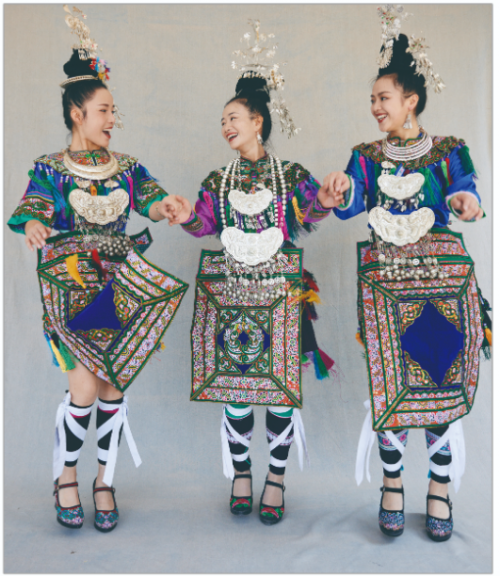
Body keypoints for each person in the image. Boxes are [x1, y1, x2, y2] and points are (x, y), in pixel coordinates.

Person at [7, 6, 186, 532]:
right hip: (71, 290)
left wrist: (168, 206)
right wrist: (33, 225)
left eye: (113, 111)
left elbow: (151, 199)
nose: (112, 119)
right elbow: (34, 207)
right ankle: (66, 475)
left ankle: (104, 481)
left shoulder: (127, 168)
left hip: (121, 288)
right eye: (103, 110)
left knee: (113, 388)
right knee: (83, 389)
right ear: (76, 114)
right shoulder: (50, 168)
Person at [322, 6, 490, 542]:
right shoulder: (366, 156)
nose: (375, 107)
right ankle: (392, 484)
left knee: (439, 376)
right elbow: (350, 202)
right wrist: (339, 191)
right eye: (373, 99)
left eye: (383, 98)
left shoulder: (449, 151)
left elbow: (467, 192)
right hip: (385, 288)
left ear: (410, 100)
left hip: (441, 287)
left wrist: (464, 202)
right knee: (388, 382)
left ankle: (439, 487)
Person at [167, 20, 342, 525]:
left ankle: (276, 479)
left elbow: (309, 212)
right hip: (232, 298)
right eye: (222, 120)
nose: (226, 126)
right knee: (236, 392)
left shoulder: (290, 176)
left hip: (282, 298)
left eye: (234, 118)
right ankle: (242, 475)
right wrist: (185, 215)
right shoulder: (216, 181)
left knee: (281, 394)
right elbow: (204, 224)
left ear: (258, 121)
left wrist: (326, 199)